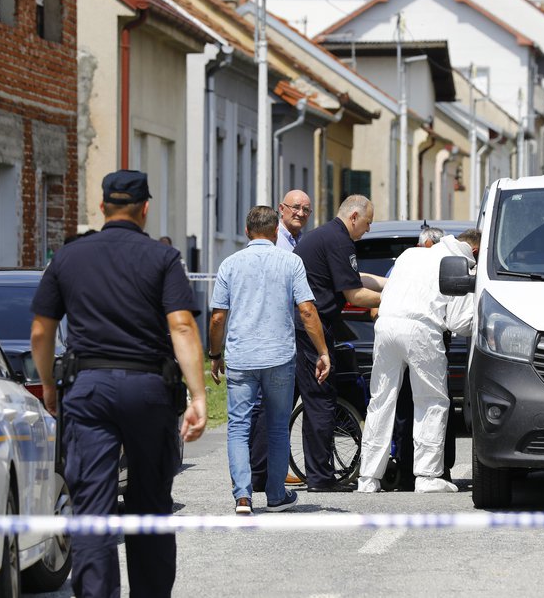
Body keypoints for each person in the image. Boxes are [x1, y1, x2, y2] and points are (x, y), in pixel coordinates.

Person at [30, 169, 207, 598]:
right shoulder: (163, 259)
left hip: (88, 390)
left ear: (103, 206)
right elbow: (182, 326)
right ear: (145, 208)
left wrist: (49, 385)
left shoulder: (68, 258)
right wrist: (199, 395)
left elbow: (40, 330)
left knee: (92, 506)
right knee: (150, 505)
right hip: (149, 390)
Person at [208, 206, 330, 514]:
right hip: (279, 356)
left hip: (241, 356)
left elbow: (218, 316)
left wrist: (214, 354)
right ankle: (276, 495)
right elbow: (306, 311)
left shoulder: (230, 265)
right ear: (276, 232)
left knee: (238, 426)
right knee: (277, 427)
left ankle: (243, 496)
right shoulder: (291, 262)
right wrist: (322, 351)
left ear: (247, 231)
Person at [357, 229, 480, 494]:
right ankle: (427, 475)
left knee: (381, 401)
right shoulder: (458, 266)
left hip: (386, 326)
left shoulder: (410, 254)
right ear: (476, 251)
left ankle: (368, 477)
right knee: (431, 401)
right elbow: (458, 322)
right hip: (422, 330)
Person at [294, 194, 385, 492]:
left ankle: (261, 474)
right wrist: (394, 297)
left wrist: (387, 282)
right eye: (368, 222)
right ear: (355, 216)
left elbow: (353, 278)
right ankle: (320, 478)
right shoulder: (340, 240)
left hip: (301, 327)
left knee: (289, 404)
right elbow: (354, 294)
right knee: (321, 402)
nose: (368, 230)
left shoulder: (326, 235)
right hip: (312, 328)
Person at [250, 190, 314, 491]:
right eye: (295, 208)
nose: (300, 213)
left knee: (279, 405)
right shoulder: (276, 244)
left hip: (289, 331)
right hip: (275, 332)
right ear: (281, 209)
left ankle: (270, 468)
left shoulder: (300, 243)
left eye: (306, 209)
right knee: (271, 405)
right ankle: (262, 472)